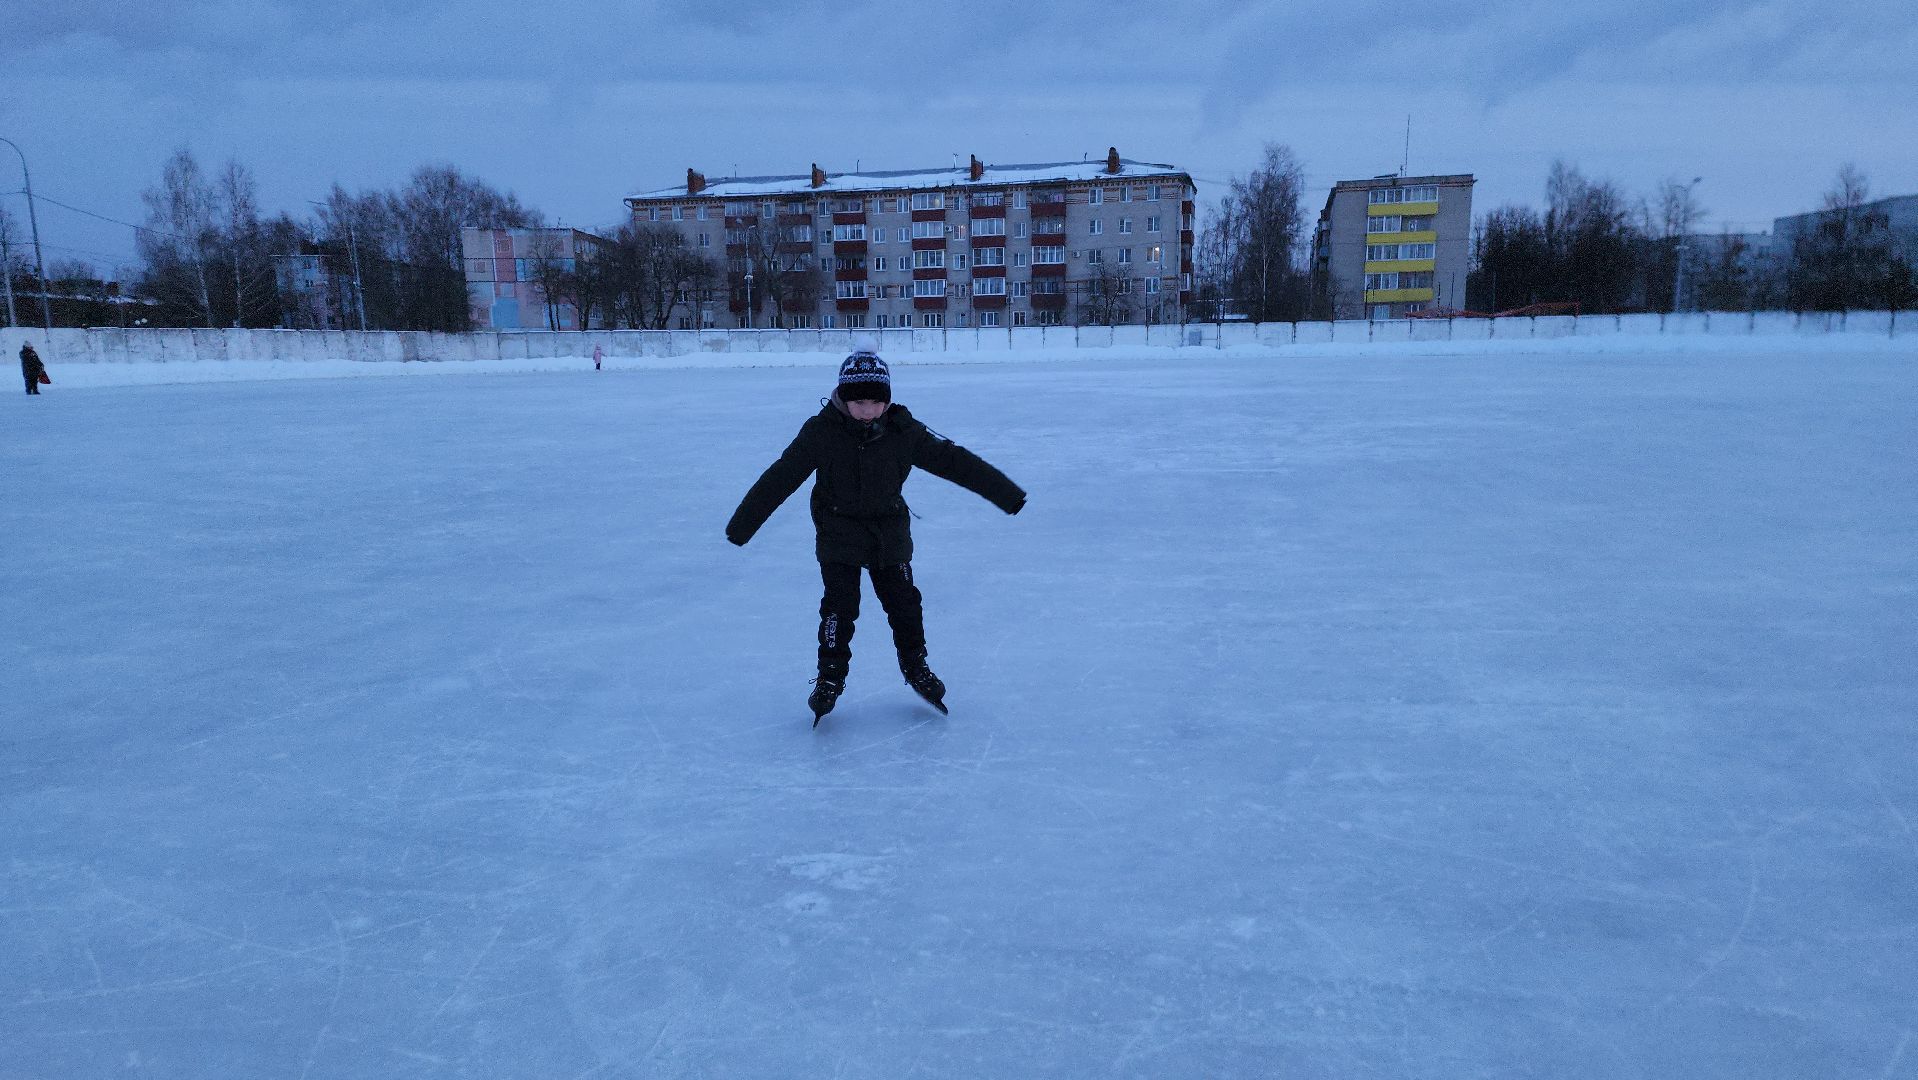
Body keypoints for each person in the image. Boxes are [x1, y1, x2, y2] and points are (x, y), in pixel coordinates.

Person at [726, 351, 1026, 721]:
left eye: (875, 402)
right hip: (838, 531)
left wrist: (1007, 494)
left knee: (905, 605)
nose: (867, 410)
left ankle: (916, 666)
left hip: (889, 532)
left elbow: (956, 462)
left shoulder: (903, 431)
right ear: (842, 398)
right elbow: (781, 476)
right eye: (858, 402)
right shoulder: (821, 432)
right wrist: (742, 526)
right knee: (839, 607)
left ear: (887, 400)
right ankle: (830, 677)